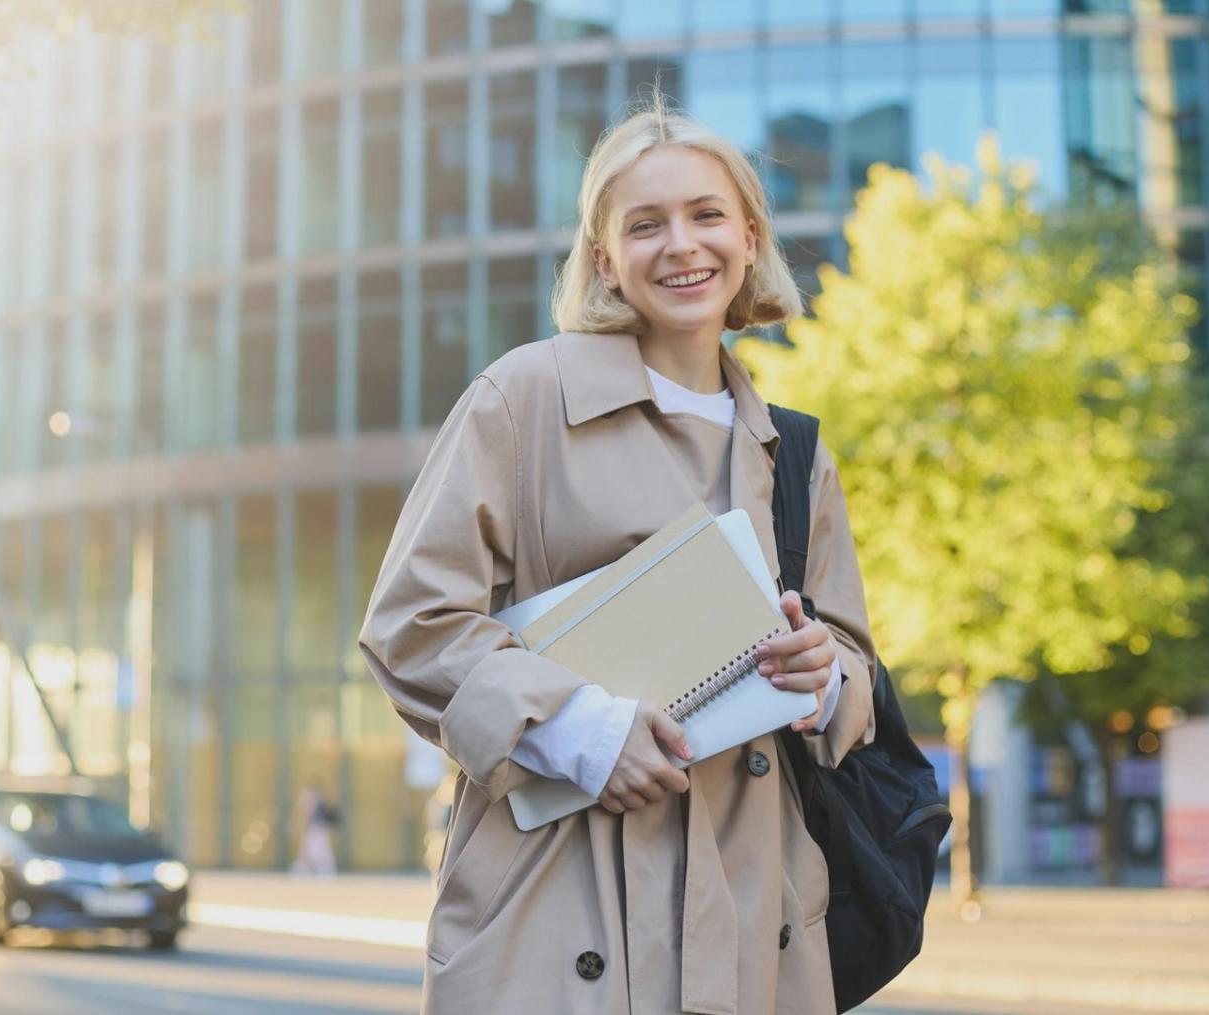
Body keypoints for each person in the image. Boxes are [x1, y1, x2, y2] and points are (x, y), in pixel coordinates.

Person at [358, 95, 877, 1014]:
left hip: (758, 911)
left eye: (707, 215)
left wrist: (823, 676)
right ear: (605, 259)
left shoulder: (791, 451)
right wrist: (580, 731)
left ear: (749, 235)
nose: (682, 245)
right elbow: (410, 626)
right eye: (646, 225)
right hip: (559, 904)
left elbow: (854, 662)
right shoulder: (522, 398)